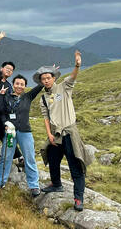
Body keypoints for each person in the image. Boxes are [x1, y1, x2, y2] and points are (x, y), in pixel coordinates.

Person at [38, 51, 93, 212]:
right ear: (41, 81)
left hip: (69, 133)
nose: (46, 80)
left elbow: (74, 76)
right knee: (53, 160)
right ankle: (56, 184)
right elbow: (46, 117)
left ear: (54, 78)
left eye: (48, 78)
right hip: (55, 135)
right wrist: (49, 134)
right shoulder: (43, 98)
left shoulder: (64, 87)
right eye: (43, 79)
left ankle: (78, 199)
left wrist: (77, 65)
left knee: (75, 164)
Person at [0, 74, 43, 196]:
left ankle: (34, 186)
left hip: (25, 132)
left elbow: (40, 85)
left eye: (22, 84)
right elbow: (2, 113)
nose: (19, 86)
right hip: (10, 131)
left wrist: (49, 72)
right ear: (13, 85)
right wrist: (5, 123)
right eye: (17, 83)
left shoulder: (28, 97)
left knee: (29, 158)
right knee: (6, 157)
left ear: (25, 86)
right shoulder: (6, 97)